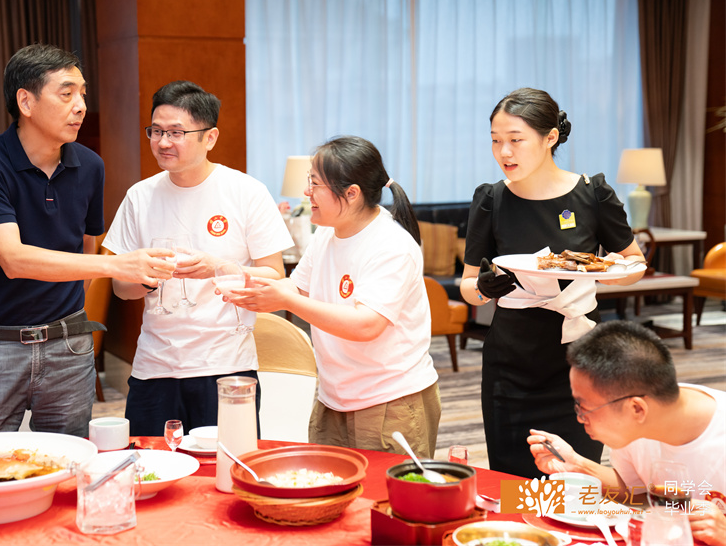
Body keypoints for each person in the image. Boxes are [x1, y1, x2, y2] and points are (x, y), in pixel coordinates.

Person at [0, 44, 174, 438]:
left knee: (70, 460)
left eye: (83, 94)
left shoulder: (90, 166)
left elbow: (85, 248)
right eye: (66, 93)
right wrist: (117, 264)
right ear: (26, 101)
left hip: (69, 345)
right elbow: (13, 259)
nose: (81, 106)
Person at [460, 87, 646, 477]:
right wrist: (483, 289)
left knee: (574, 480)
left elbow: (635, 263)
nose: (504, 152)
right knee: (514, 485)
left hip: (580, 362)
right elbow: (468, 285)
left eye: (515, 140)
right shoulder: (491, 200)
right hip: (510, 364)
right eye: (495, 141)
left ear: (550, 138)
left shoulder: (592, 194)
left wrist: (612, 271)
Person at [102, 80, 293, 436]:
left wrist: (217, 268)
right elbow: (120, 288)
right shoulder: (140, 197)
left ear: (210, 137)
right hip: (155, 367)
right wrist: (148, 277)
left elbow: (275, 276)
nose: (163, 142)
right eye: (156, 131)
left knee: (227, 462)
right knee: (153, 462)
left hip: (226, 365)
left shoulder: (246, 192)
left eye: (176, 132)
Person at [230, 136, 441, 458]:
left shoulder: (391, 245)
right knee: (330, 484)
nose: (306, 192)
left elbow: (366, 324)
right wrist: (232, 275)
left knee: (382, 490)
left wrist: (286, 301)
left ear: (352, 194)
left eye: (315, 184)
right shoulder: (327, 233)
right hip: (334, 396)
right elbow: (297, 287)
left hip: (389, 400)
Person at [528, 320, 726, 546]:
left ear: (637, 409)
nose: (580, 418)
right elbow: (637, 494)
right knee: (514, 506)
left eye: (584, 408)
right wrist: (577, 465)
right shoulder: (638, 424)